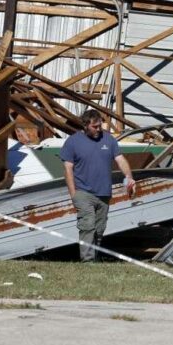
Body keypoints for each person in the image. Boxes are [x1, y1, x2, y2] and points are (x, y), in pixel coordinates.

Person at [60, 109, 136, 262]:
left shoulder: (109, 140)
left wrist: (129, 178)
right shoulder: (73, 142)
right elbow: (68, 168)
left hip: (104, 193)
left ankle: (94, 258)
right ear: (85, 125)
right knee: (87, 225)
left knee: (99, 229)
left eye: (100, 126)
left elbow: (120, 160)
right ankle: (87, 261)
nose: (99, 129)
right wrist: (73, 194)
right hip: (83, 192)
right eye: (95, 127)